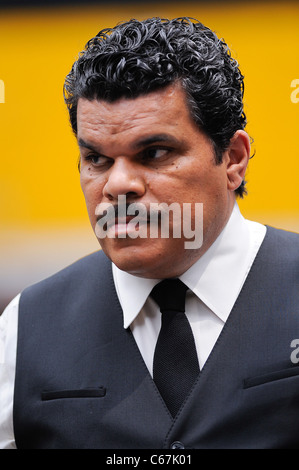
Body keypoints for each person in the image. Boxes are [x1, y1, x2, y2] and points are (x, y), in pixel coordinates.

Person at [0, 16, 298, 450]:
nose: (117, 185)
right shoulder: (24, 329)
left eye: (155, 152)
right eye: (97, 159)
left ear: (233, 159)